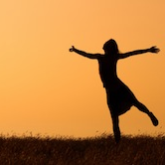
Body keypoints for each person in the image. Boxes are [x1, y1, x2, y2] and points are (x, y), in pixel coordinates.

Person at [69, 39, 160, 143]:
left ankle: (149, 114)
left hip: (118, 88)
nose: (104, 49)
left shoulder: (109, 57)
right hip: (113, 90)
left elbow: (132, 53)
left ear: (109, 49)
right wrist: (75, 50)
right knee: (119, 115)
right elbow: (87, 55)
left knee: (129, 108)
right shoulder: (103, 57)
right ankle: (118, 143)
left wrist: (148, 50)